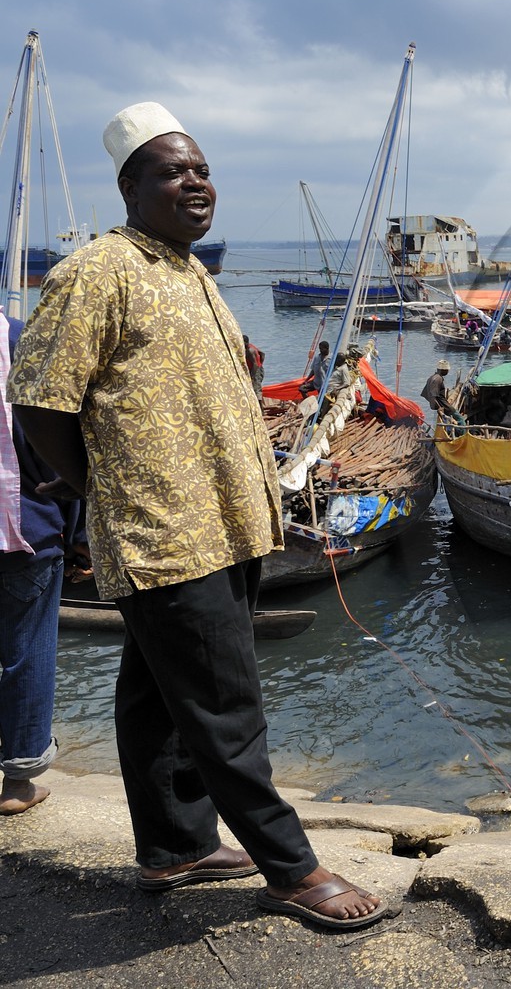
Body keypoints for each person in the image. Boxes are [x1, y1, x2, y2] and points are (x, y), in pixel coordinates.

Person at [8, 101, 388, 929]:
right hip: (166, 533)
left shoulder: (187, 271)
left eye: (203, 169)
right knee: (227, 704)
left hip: (228, 520)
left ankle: (174, 847)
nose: (196, 183)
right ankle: (291, 869)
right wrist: (90, 487)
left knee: (155, 693)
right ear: (130, 187)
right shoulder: (99, 271)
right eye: (174, 171)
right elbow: (37, 398)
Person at [1, 313, 84, 816]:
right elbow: (54, 444)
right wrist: (77, 537)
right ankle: (19, 781)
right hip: (22, 526)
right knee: (27, 651)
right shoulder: (18, 338)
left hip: (22, 525)